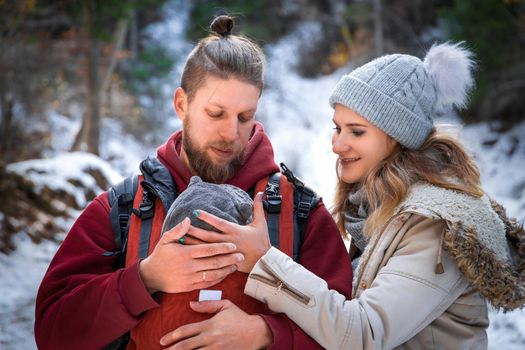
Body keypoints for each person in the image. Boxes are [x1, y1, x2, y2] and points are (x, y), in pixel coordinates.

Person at [174, 42, 525, 349]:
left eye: (356, 132)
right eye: (337, 128)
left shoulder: (433, 227)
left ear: (397, 137)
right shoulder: (381, 211)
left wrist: (265, 262)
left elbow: (363, 333)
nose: (337, 144)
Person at [34, 15, 353, 350]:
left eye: (244, 117)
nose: (231, 134)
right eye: (215, 114)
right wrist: (145, 279)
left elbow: (347, 333)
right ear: (181, 104)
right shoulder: (123, 209)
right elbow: (52, 332)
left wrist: (266, 334)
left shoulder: (300, 211)